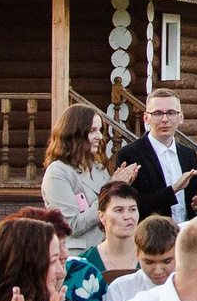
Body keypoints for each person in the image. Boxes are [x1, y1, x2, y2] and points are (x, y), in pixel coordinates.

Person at [43, 104, 135, 245]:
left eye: (100, 130)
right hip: (78, 254)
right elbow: (71, 226)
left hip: (104, 250)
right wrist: (111, 190)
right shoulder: (57, 172)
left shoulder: (98, 168)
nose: (99, 137)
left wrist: (120, 187)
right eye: (92, 131)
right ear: (73, 133)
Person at [117, 90, 197, 227]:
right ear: (146, 118)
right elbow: (131, 205)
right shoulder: (129, 154)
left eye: (171, 113)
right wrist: (173, 189)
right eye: (157, 113)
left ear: (181, 117)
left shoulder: (188, 154)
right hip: (151, 235)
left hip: (187, 232)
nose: (165, 119)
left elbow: (194, 201)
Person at [64, 182, 139, 301]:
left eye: (132, 209)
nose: (127, 216)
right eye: (119, 210)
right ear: (101, 216)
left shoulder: (153, 258)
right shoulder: (83, 263)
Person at [104, 213, 178, 301]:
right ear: (137, 253)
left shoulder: (192, 287)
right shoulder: (120, 289)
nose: (158, 271)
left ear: (179, 254)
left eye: (167, 262)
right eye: (149, 262)